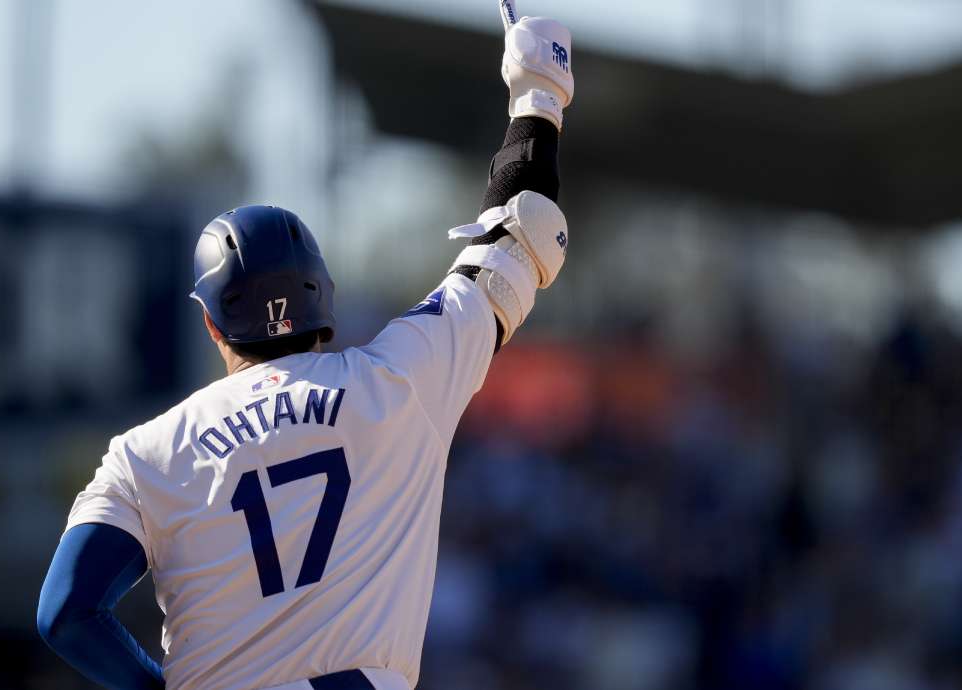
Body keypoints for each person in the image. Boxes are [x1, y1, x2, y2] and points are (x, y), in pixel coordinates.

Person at [36, 7, 573, 689]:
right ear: (325, 303)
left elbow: (66, 612)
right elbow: (523, 233)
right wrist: (539, 95)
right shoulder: (399, 380)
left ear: (212, 325)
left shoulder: (145, 454)